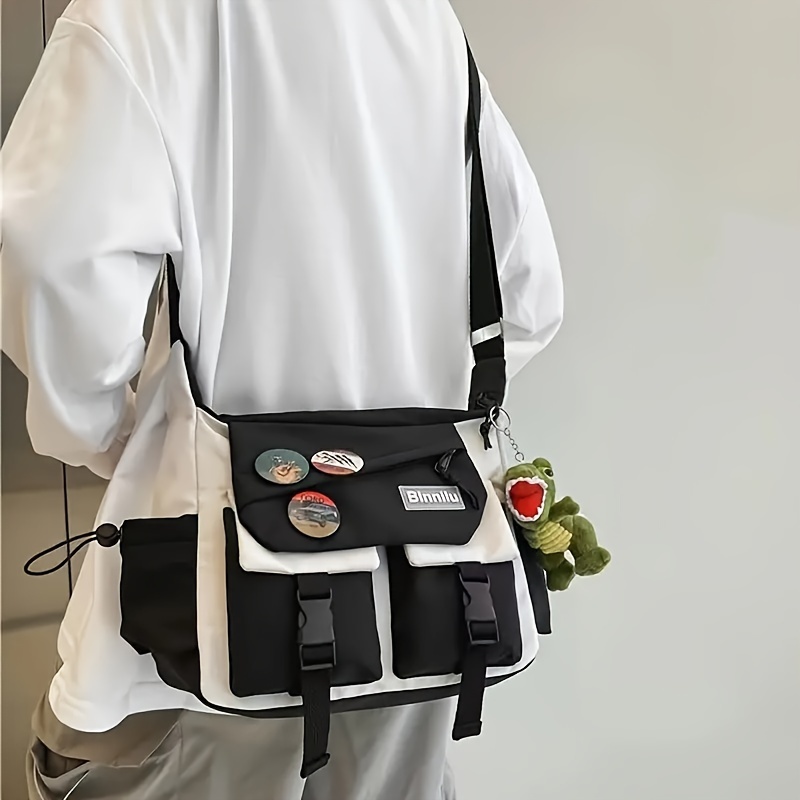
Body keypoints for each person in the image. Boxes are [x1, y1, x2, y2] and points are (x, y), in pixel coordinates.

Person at [1, 1, 563, 798]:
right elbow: (528, 298)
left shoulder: (141, 13)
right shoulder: (423, 20)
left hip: (199, 624)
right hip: (422, 616)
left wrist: (107, 436)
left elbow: (55, 255)